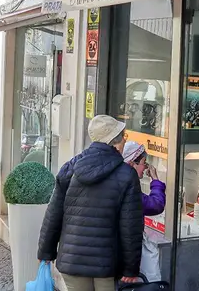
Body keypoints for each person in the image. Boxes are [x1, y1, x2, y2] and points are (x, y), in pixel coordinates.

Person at [38, 115, 144, 291]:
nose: (124, 141)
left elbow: (54, 213)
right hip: (107, 263)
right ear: (115, 142)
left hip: (72, 260)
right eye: (123, 137)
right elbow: (131, 227)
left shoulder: (70, 168)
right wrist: (131, 268)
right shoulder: (127, 175)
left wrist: (46, 251)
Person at [122, 141, 166, 283]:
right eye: (143, 163)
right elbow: (155, 205)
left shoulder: (120, 181)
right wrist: (155, 180)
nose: (145, 167)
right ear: (132, 163)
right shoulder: (128, 187)